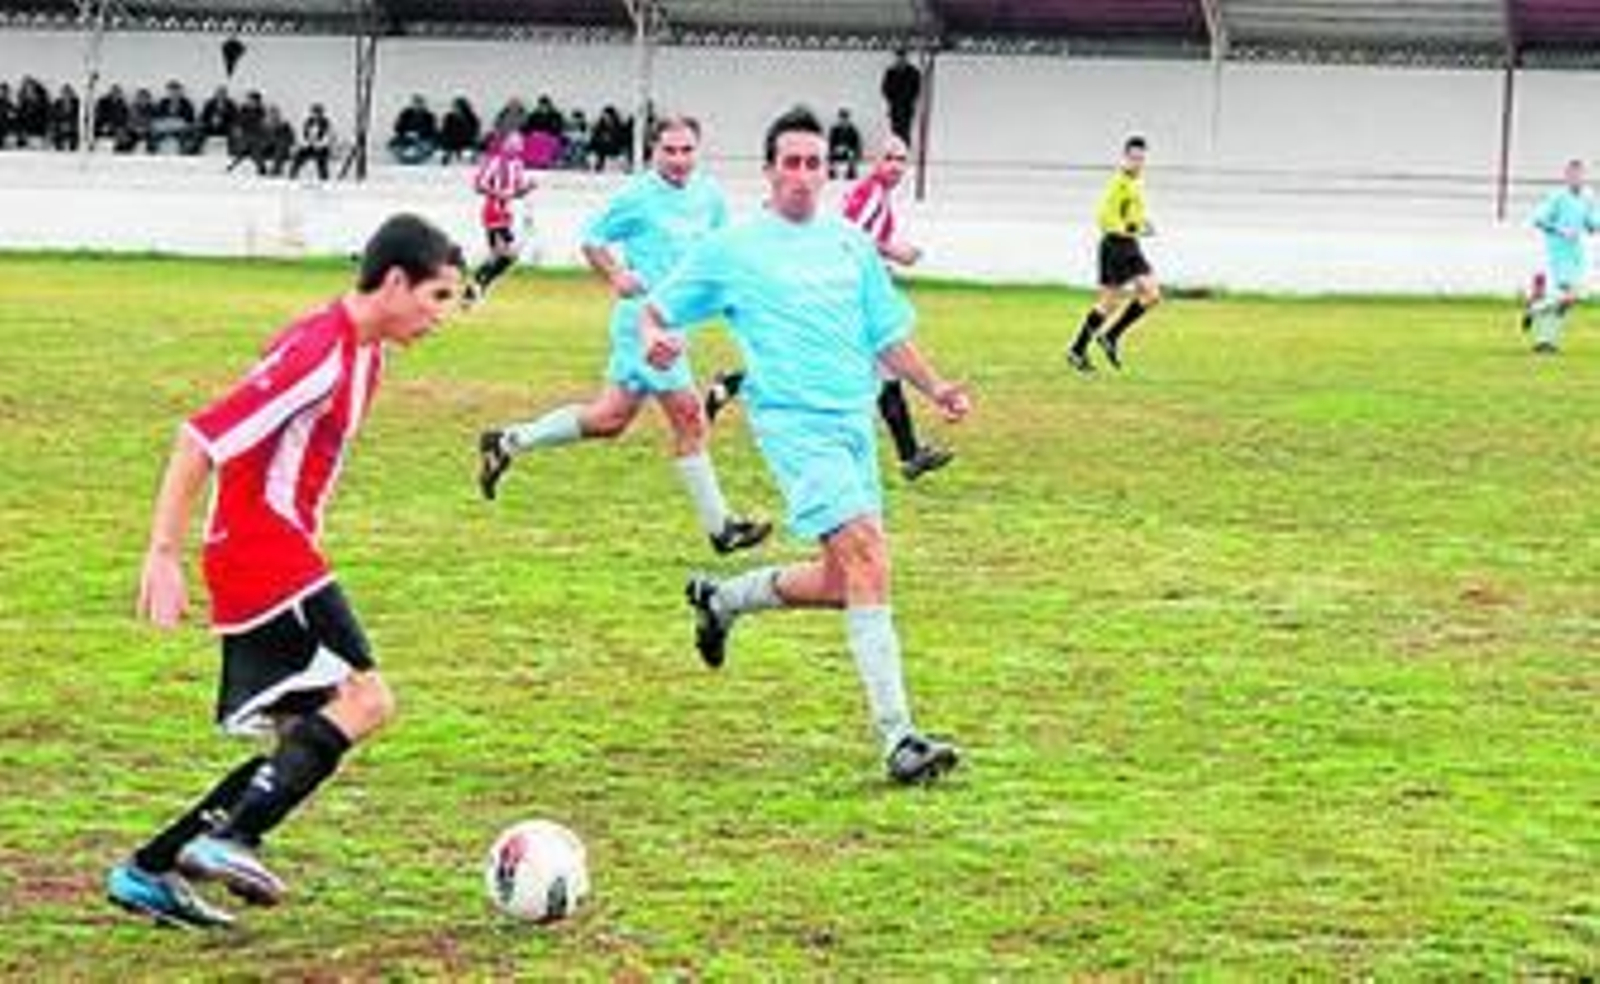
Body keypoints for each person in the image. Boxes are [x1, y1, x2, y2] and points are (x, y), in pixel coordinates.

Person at [105, 214, 465, 929]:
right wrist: (164, 553)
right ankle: (231, 838)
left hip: (274, 548)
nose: (441, 316)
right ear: (394, 281)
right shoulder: (321, 351)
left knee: (300, 738)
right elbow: (200, 438)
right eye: (436, 296)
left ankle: (147, 871)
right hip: (265, 551)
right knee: (367, 699)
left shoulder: (365, 352)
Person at [640, 106, 970, 785]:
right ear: (768, 171)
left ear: (826, 171)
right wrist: (656, 339)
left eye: (813, 163)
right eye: (789, 162)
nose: (800, 175)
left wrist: (935, 388)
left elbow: (886, 335)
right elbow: (656, 311)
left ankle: (722, 600)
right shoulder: (733, 249)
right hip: (794, 428)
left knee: (845, 579)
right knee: (871, 561)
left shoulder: (850, 243)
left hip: (854, 423)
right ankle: (898, 737)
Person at [476, 116, 770, 557]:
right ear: (654, 151)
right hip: (644, 325)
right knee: (690, 417)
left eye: (686, 150)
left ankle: (508, 441)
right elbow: (592, 240)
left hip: (673, 323)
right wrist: (615, 273)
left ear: (698, 151)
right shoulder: (637, 196)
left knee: (608, 420)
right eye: (669, 150)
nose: (678, 159)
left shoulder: (709, 196)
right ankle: (721, 528)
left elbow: (719, 253)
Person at [706, 134, 953, 482]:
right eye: (890, 158)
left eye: (902, 159)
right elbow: (852, 236)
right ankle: (907, 453)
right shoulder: (869, 193)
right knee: (847, 368)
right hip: (848, 301)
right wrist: (894, 250)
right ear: (875, 161)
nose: (896, 167)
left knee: (878, 372)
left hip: (856, 299)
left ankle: (910, 453)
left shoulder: (876, 194)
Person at [1067, 135, 1162, 373]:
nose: (1137, 163)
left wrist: (1142, 223)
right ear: (1125, 158)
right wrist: (1132, 228)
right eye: (1133, 158)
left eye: (1141, 159)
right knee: (1108, 303)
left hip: (1130, 245)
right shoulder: (1119, 183)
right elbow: (1104, 218)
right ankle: (1077, 350)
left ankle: (1109, 337)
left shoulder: (1134, 182)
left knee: (1151, 294)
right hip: (1116, 246)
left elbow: (1130, 214)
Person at [1522, 158, 1600, 354]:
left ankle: (1544, 334)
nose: (1576, 178)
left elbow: (1592, 225)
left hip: (1576, 252)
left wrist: (1593, 225)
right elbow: (1538, 220)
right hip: (1556, 251)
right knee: (1569, 295)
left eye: (1580, 175)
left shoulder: (1588, 197)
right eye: (1572, 175)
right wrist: (1560, 230)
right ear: (1566, 177)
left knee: (1566, 302)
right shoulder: (1557, 197)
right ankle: (1543, 338)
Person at [463, 129, 537, 305]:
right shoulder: (495, 162)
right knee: (505, 254)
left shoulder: (518, 165)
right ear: (506, 144)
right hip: (494, 211)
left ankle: (475, 289)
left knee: (502, 255)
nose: (519, 145)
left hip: (507, 213)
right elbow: (478, 185)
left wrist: (528, 188)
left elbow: (516, 192)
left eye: (520, 142)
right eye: (515, 142)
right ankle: (477, 288)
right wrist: (499, 193)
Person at [881, 49, 921, 144]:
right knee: (895, 131)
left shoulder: (914, 72)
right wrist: (892, 100)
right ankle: (896, 152)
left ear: (906, 58)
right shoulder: (890, 72)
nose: (900, 60)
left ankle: (905, 153)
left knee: (905, 132)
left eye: (903, 57)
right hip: (895, 107)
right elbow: (884, 89)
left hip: (907, 107)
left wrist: (908, 99)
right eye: (899, 58)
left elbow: (917, 90)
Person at [289, 103, 334, 181]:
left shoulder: (326, 123)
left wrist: (319, 144)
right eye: (314, 113)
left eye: (318, 113)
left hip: (321, 148)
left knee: (322, 160)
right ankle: (292, 175)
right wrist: (307, 143)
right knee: (299, 157)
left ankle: (324, 178)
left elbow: (328, 137)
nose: (316, 115)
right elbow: (302, 136)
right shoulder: (307, 122)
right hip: (308, 146)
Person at [827, 108, 862, 180]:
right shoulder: (834, 130)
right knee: (830, 155)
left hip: (849, 152)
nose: (843, 121)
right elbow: (831, 142)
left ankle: (851, 172)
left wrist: (851, 150)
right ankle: (832, 172)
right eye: (842, 118)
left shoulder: (853, 130)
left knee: (852, 154)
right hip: (837, 151)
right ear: (839, 119)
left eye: (845, 118)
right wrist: (836, 149)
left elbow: (857, 144)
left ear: (848, 119)